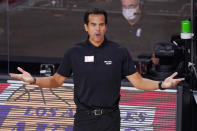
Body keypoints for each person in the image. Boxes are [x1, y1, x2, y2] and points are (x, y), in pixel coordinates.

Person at [10, 8, 184, 131]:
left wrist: (161, 84)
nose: (97, 29)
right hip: (84, 118)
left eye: (101, 24)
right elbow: (56, 80)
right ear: (86, 27)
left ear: (106, 27)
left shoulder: (119, 52)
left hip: (110, 119)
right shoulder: (74, 52)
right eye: (93, 24)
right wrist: (33, 80)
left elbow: (138, 81)